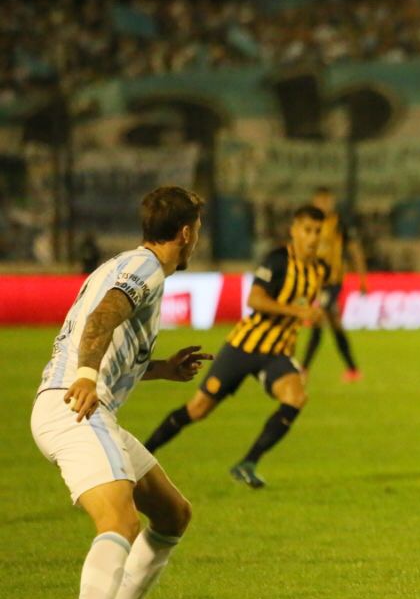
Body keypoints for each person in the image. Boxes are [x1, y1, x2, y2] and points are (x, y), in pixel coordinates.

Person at [31, 186, 211, 599]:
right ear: (187, 233)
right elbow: (102, 318)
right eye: (197, 231)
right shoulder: (144, 269)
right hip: (75, 407)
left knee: (172, 513)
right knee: (121, 521)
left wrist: (163, 369)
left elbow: (111, 340)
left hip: (83, 406)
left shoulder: (126, 264)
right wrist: (87, 378)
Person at [144, 205, 327, 488]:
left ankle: (248, 462)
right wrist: (299, 312)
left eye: (318, 231)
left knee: (296, 397)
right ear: (294, 230)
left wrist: (305, 357)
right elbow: (255, 300)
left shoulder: (319, 271)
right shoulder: (278, 260)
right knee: (198, 409)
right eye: (308, 230)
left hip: (276, 353)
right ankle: (143, 456)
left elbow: (311, 318)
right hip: (243, 347)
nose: (313, 237)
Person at [301, 188, 367, 382]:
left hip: (333, 281)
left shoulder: (340, 224)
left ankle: (303, 368)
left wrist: (363, 279)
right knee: (334, 323)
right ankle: (353, 369)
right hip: (315, 281)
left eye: (327, 201)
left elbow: (355, 251)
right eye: (320, 201)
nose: (324, 204)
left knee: (319, 315)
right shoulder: (308, 224)